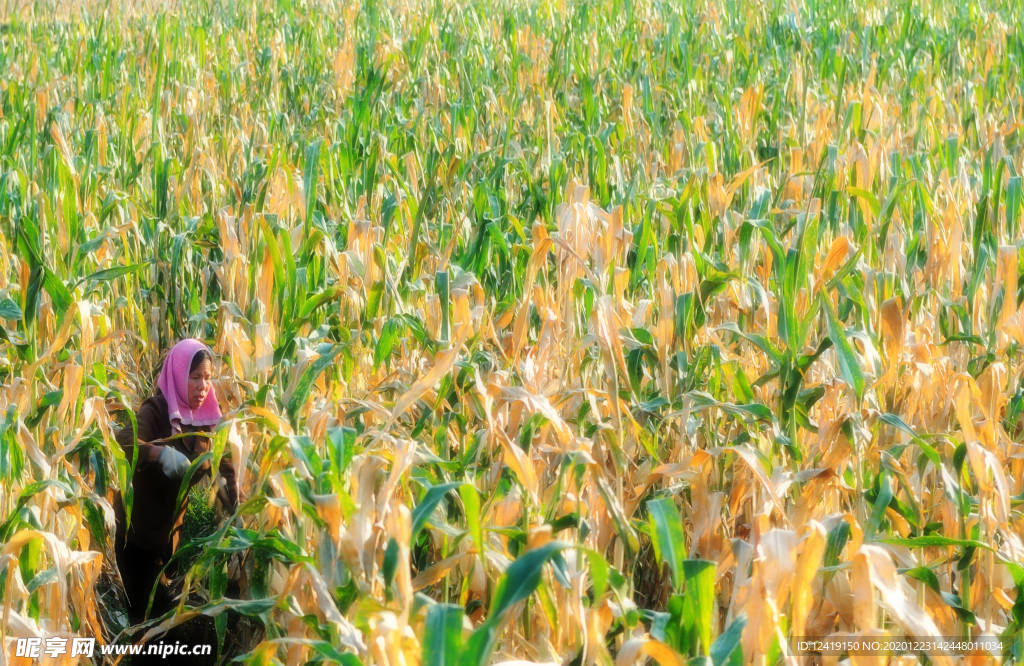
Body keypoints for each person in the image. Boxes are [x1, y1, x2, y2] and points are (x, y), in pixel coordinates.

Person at [112, 339, 238, 626]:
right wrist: (158, 453)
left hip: (169, 543)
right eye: (194, 377)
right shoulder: (157, 409)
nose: (202, 386)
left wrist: (239, 511)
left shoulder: (208, 422)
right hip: (136, 538)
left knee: (162, 623)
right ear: (179, 375)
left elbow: (224, 470)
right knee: (149, 623)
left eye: (207, 378)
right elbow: (123, 442)